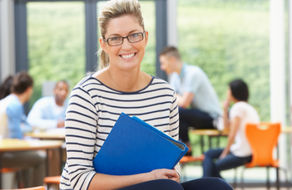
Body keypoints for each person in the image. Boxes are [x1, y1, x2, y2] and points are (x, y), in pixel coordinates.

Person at [60, 0, 232, 190]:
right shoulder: (86, 95)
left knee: (216, 187)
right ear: (104, 44)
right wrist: (148, 178)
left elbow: (172, 166)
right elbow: (78, 180)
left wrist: (168, 176)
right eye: (116, 38)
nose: (126, 46)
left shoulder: (164, 94)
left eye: (134, 35)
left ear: (145, 38)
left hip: (153, 186)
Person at [0, 71, 45, 187]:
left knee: (30, 158)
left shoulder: (3, 103)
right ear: (29, 90)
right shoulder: (14, 105)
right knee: (40, 158)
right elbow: (16, 137)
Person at [159, 46, 222, 147]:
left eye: (163, 63)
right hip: (196, 116)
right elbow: (173, 101)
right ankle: (186, 149)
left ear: (172, 60)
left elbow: (184, 103)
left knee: (178, 111)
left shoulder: (193, 73)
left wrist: (168, 92)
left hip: (212, 118)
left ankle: (185, 148)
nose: (162, 67)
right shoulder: (175, 77)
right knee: (174, 113)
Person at [202, 79, 259, 178]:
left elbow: (231, 134)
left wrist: (225, 153)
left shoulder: (238, 108)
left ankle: (206, 185)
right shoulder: (248, 108)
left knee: (212, 166)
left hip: (242, 153)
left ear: (233, 92)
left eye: (228, 89)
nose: (227, 92)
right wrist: (225, 109)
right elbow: (227, 127)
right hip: (250, 151)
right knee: (209, 154)